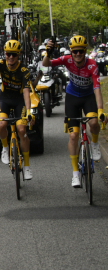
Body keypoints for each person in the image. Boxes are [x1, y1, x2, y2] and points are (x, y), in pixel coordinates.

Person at [43, 35, 107, 188]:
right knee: (73, 135)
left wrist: (101, 110)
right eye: (75, 51)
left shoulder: (92, 65)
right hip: (72, 97)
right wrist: (48, 53)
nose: (78, 54)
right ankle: (75, 174)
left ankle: (96, 144)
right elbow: (44, 66)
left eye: (81, 51)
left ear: (85, 51)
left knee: (93, 123)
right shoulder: (66, 60)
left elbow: (97, 89)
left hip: (88, 97)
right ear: (71, 52)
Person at [0, 40, 35, 180]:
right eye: (8, 54)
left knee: (22, 130)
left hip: (19, 101)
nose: (11, 57)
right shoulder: (1, 63)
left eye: (14, 54)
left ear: (18, 55)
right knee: (2, 124)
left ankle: (27, 166)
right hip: (5, 98)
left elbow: (26, 92)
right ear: (5, 54)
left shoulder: (24, 70)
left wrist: (29, 111)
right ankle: (5, 148)